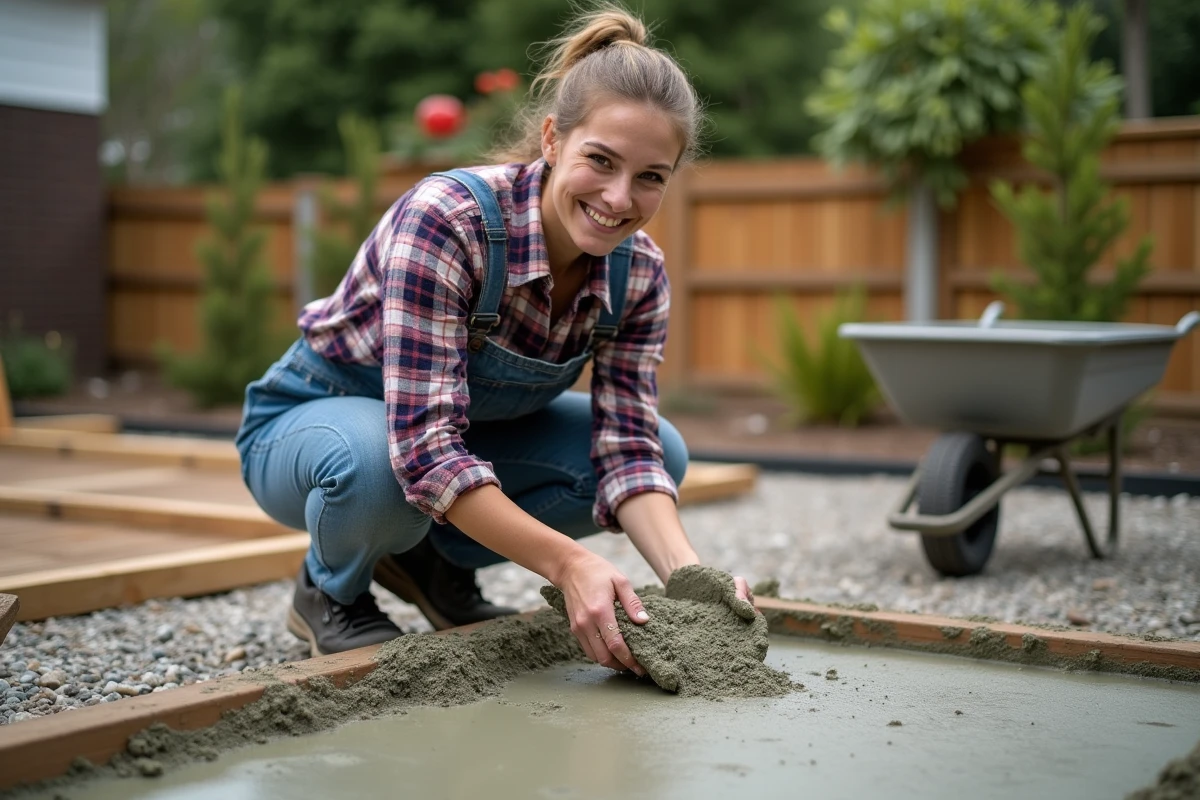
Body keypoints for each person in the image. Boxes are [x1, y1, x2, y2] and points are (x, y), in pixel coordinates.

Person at [235, 4, 754, 676]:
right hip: (312, 427)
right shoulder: (448, 223)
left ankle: (434, 566)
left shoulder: (641, 273)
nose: (620, 198)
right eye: (601, 160)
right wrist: (571, 566)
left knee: (666, 449)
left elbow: (627, 447)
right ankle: (329, 591)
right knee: (382, 471)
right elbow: (422, 449)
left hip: (456, 438)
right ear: (551, 140)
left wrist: (692, 581)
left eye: (651, 176)